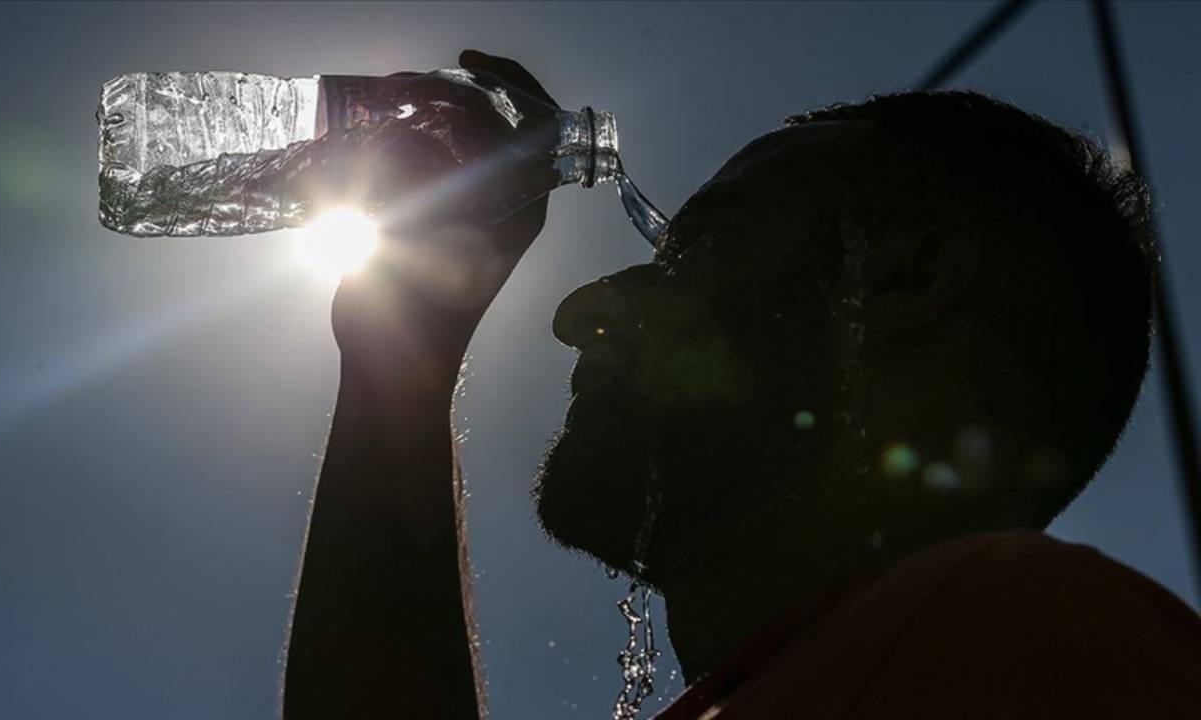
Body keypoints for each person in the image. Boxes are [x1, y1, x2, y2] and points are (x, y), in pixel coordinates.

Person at [280, 50, 1201, 719]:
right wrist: (399, 358)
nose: (581, 309)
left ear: (909, 283)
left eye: (701, 246)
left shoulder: (1034, 643)